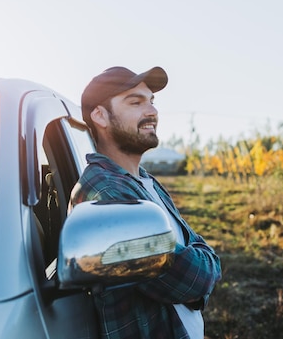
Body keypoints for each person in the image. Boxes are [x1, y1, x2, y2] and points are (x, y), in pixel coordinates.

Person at [70, 66, 222, 339]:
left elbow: (190, 248)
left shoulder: (143, 181)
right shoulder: (105, 195)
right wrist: (207, 259)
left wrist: (199, 256)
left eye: (151, 101)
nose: (152, 112)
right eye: (136, 102)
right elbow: (190, 280)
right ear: (100, 115)